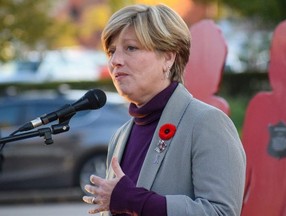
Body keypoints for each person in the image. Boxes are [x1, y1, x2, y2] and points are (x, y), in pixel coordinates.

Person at [82, 4, 246, 216]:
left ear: (169, 57)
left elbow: (221, 212)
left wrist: (135, 200)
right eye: (111, 51)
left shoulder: (206, 122)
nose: (115, 61)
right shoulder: (121, 136)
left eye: (131, 48)